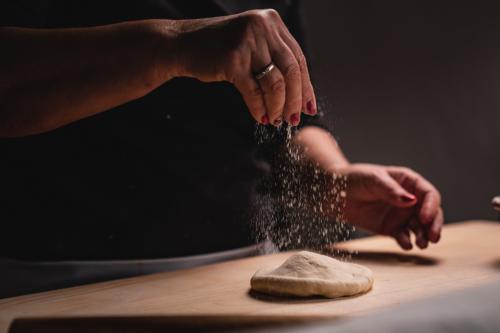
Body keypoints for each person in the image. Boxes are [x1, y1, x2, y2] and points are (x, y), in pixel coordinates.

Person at [0, 1, 442, 294]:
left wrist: (332, 179)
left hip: (242, 278)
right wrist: (173, 45)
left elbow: (287, 121)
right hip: (57, 284)